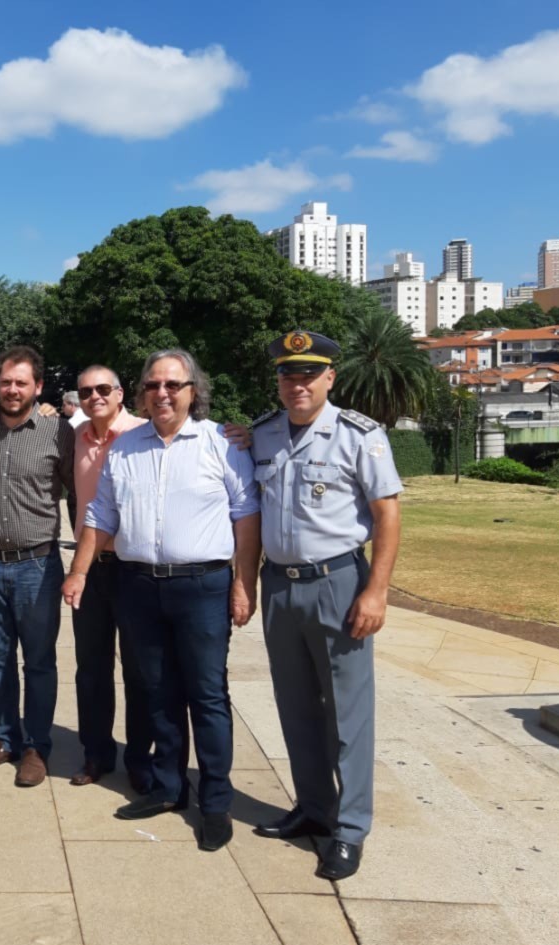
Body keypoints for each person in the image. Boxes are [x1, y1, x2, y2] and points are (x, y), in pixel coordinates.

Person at [63, 350, 259, 852]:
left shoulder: (221, 443)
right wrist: (79, 572)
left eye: (173, 384)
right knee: (157, 693)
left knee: (207, 695)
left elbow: (246, 514)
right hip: (139, 586)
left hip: (202, 587)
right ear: (142, 393)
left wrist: (245, 582)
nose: (162, 394)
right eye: (153, 385)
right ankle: (169, 787)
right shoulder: (126, 448)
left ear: (194, 391)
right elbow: (100, 515)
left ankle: (215, 802)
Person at [250, 331, 402, 881]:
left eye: (310, 374)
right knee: (295, 706)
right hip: (279, 585)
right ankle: (315, 808)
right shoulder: (263, 434)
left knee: (347, 714)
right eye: (289, 374)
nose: (299, 384)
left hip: (337, 582)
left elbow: (387, 515)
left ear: (330, 378)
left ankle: (351, 828)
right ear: (279, 381)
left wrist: (376, 592)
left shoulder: (360, 435)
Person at [0, 346, 74, 787]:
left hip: (37, 566)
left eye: (21, 383)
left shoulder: (57, 431)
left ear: (37, 387)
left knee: (39, 662)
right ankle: (3, 740)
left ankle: (36, 747)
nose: (12, 390)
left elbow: (76, 489)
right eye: (6, 381)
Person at [61, 365, 151, 791]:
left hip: (134, 566)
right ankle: (96, 753)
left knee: (139, 669)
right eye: (85, 391)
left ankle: (140, 758)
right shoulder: (74, 436)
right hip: (90, 567)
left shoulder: (143, 433)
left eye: (102, 389)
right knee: (91, 668)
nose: (94, 396)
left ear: (119, 393)